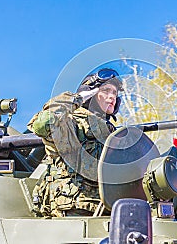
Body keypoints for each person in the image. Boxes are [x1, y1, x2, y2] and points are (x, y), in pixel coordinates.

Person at [27, 68, 123, 217]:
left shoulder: (113, 134)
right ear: (91, 93)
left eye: (115, 93)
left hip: (109, 210)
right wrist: (76, 99)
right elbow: (43, 124)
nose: (112, 97)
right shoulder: (72, 124)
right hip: (75, 209)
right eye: (106, 90)